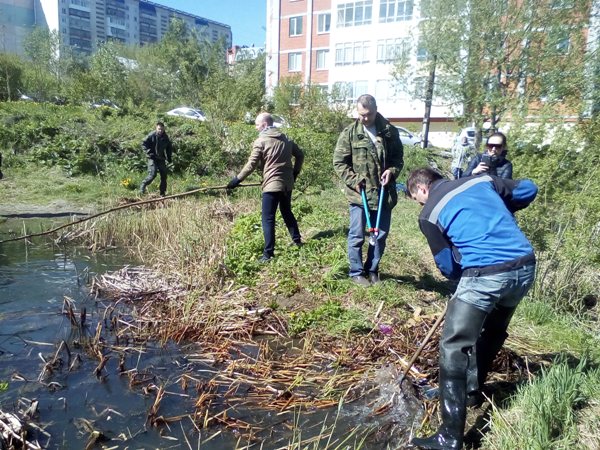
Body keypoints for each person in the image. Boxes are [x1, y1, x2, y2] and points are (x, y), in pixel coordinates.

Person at [406, 167, 538, 450]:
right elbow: (529, 189)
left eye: (417, 199)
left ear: (422, 189)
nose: (420, 204)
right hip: (525, 267)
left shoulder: (429, 213)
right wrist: (499, 206)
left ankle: (449, 436)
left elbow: (448, 267)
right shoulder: (483, 181)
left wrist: (462, 262)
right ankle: (470, 392)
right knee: (493, 331)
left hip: (486, 275)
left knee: (454, 345)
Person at [333, 94, 404, 286]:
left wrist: (392, 171)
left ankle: (372, 270)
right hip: (359, 195)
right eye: (361, 114)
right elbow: (339, 163)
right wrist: (354, 180)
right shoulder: (350, 133)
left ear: (376, 110)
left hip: (383, 194)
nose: (365, 118)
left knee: (379, 236)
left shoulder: (389, 131)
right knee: (357, 235)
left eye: (369, 114)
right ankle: (356, 272)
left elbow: (398, 159)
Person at [227, 112, 304, 262]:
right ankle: (297, 241)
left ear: (264, 124)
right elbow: (300, 155)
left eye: (257, 125)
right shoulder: (286, 139)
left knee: (267, 218)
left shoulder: (261, 141)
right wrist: (294, 173)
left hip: (271, 185)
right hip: (287, 184)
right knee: (286, 211)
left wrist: (237, 179)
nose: (256, 128)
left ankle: (268, 254)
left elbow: (251, 165)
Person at [140, 121, 173, 196]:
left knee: (164, 175)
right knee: (153, 174)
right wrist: (148, 152)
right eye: (159, 129)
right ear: (156, 128)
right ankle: (143, 186)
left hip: (161, 158)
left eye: (162, 129)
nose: (160, 131)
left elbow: (169, 148)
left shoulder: (165, 137)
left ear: (164, 129)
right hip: (152, 158)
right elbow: (143, 143)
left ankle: (162, 192)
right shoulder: (151, 135)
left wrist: (169, 157)